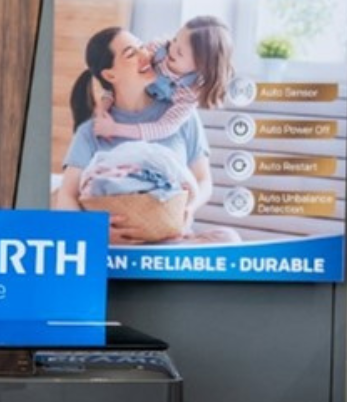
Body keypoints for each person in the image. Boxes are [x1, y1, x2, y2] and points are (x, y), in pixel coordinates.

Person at [54, 26, 211, 242]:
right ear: (110, 75)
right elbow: (66, 196)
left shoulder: (180, 117)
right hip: (116, 249)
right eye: (131, 53)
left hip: (172, 240)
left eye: (141, 47)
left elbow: (203, 180)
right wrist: (97, 232)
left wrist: (190, 208)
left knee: (228, 237)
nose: (145, 55)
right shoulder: (91, 132)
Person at [92, 14, 236, 144]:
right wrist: (103, 106)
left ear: (201, 65)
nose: (171, 49)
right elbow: (122, 76)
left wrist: (116, 129)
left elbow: (165, 127)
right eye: (175, 39)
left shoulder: (191, 92)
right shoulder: (156, 50)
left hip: (149, 122)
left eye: (180, 52)